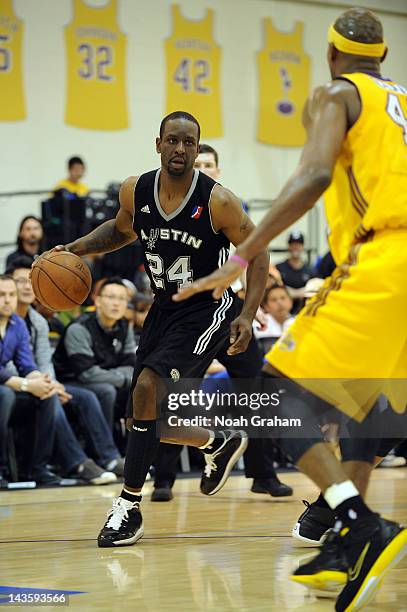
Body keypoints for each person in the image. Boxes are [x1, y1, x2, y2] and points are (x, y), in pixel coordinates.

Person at [174, 9, 407, 610]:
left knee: (274, 392)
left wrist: (242, 255)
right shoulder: (401, 102)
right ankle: (348, 542)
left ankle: (359, 524)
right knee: (372, 403)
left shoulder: (336, 93)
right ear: (382, 57)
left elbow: (312, 175)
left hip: (387, 257)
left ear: (331, 55)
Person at [40, 110, 269, 546]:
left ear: (197, 149)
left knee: (147, 387)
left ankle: (128, 507)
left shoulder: (219, 201)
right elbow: (120, 230)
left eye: (190, 143)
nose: (181, 149)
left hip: (208, 308)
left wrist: (246, 312)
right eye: (173, 141)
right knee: (140, 419)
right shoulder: (136, 189)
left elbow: (258, 254)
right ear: (158, 143)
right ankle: (216, 442)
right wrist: (74, 248)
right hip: (164, 308)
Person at [150, 145, 292, 502]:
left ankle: (263, 474)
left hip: (227, 311)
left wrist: (249, 304)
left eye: (208, 165)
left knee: (255, 390)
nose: (202, 169)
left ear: (219, 170)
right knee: (175, 394)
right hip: (188, 317)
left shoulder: (227, 205)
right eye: (197, 164)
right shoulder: (175, 206)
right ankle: (163, 478)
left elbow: (251, 257)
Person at [7, 257, 123, 483]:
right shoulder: (7, 320)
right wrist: (42, 385)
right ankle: (77, 464)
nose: (26, 286)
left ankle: (109, 458)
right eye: (20, 281)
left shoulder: (38, 321)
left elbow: (43, 361)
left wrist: (51, 382)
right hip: (16, 384)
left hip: (40, 379)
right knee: (49, 397)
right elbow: (9, 364)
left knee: (87, 396)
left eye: (30, 281)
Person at [53, 277, 138, 435]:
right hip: (71, 380)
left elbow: (131, 365)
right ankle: (106, 453)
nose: (117, 303)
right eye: (111, 297)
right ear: (97, 300)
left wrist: (124, 378)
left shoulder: (125, 327)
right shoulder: (79, 328)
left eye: (122, 298)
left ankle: (133, 451)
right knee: (106, 391)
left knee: (140, 390)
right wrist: (124, 379)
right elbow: (87, 373)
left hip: (106, 379)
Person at [0, 275, 59, 485]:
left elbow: (26, 364)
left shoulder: (17, 324)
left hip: (8, 388)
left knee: (47, 396)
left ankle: (37, 469)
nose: (7, 300)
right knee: (5, 395)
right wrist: (26, 385)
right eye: (1, 295)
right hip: (4, 389)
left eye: (11, 295)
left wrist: (42, 381)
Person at [276, 231, 313, 313]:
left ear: (302, 247)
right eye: (292, 244)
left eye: (298, 244)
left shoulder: (310, 270)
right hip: (282, 313)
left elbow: (313, 290)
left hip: (304, 313)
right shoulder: (279, 268)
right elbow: (275, 290)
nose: (295, 247)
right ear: (288, 246)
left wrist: (291, 292)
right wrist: (300, 292)